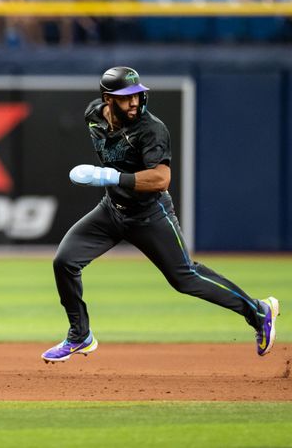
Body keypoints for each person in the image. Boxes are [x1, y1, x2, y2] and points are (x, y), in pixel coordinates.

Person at [41, 66, 279, 363]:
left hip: (150, 214)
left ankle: (258, 311)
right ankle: (80, 335)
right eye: (126, 98)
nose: (135, 103)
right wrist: (111, 183)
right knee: (65, 261)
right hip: (112, 211)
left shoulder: (152, 129)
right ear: (107, 99)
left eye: (138, 96)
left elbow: (160, 179)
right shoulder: (93, 115)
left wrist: (111, 178)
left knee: (185, 278)